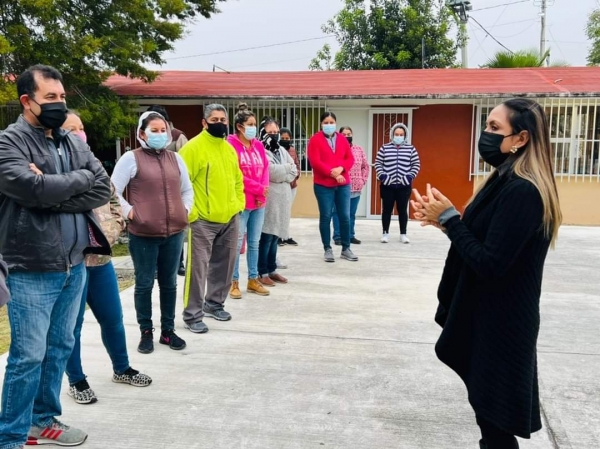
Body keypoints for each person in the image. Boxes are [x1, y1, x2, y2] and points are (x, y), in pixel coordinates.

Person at [411, 98, 562, 449]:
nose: (486, 134)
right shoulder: (504, 180)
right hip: (488, 316)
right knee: (489, 418)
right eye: (487, 125)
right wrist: (445, 221)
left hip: (502, 323)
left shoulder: (523, 191)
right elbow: (483, 240)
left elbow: (491, 263)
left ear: (521, 139)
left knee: (495, 422)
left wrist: (451, 219)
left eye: (495, 128)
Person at [0, 64, 112, 448]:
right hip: (30, 267)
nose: (59, 104)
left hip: (75, 264)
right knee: (28, 355)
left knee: (60, 346)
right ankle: (10, 437)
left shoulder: (72, 141)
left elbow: (103, 186)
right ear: (27, 101)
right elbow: (28, 187)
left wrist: (52, 192)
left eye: (62, 97)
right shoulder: (8, 143)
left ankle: (42, 419)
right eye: (50, 98)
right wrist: (58, 186)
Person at [62, 112, 151, 405]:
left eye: (81, 128)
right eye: (71, 129)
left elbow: (113, 196)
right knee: (70, 327)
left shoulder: (94, 163)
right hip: (71, 264)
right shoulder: (55, 168)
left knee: (113, 318)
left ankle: (122, 368)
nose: (79, 133)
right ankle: (76, 379)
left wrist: (114, 227)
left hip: (100, 260)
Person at [112, 111, 193, 354]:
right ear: (141, 133)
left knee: (169, 283)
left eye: (163, 130)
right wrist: (130, 213)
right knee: (144, 283)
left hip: (174, 232)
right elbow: (112, 191)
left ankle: (168, 331)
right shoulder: (130, 158)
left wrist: (184, 209)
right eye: (154, 130)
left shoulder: (175, 159)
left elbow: (187, 189)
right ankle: (146, 331)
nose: (160, 134)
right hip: (143, 234)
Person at [178, 104, 245, 334]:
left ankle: (214, 303)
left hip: (229, 217)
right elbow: (181, 184)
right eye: (214, 119)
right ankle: (192, 314)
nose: (220, 123)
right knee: (197, 269)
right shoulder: (193, 148)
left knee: (225, 264)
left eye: (223, 119)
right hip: (202, 220)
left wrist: (238, 205)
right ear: (204, 123)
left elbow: (237, 179)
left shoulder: (228, 149)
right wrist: (193, 213)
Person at [227, 103, 270, 299]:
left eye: (254, 124)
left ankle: (253, 279)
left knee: (254, 242)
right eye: (250, 124)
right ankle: (233, 281)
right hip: (241, 203)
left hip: (259, 203)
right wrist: (259, 189)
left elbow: (265, 169)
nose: (253, 128)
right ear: (239, 126)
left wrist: (262, 193)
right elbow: (236, 175)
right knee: (236, 244)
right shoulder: (230, 145)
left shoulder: (258, 145)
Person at [307, 111, 358, 263]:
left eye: (331, 122)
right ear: (321, 124)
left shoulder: (342, 139)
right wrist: (333, 174)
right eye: (326, 122)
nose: (329, 125)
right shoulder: (315, 140)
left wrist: (341, 169)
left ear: (335, 123)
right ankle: (327, 249)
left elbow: (350, 158)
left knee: (345, 216)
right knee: (326, 217)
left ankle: (346, 248)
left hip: (343, 184)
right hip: (324, 185)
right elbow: (315, 162)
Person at [147, 105, 189, 276]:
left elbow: (185, 166)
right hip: (152, 193)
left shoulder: (178, 137)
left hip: (174, 192)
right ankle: (156, 265)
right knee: (154, 228)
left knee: (175, 228)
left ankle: (178, 263)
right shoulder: (147, 135)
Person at [256, 117, 298, 287]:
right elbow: (271, 172)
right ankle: (262, 272)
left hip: (283, 198)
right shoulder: (260, 150)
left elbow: (294, 169)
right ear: (262, 133)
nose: (273, 136)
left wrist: (285, 171)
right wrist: (285, 171)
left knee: (276, 237)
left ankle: (272, 270)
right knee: (266, 237)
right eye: (269, 132)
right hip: (271, 199)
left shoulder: (281, 149)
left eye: (275, 132)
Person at [374, 122, 420, 244]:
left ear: (405, 136)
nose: (398, 136)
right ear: (392, 135)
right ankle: (385, 233)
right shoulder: (384, 148)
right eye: (396, 134)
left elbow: (416, 165)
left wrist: (409, 177)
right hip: (387, 186)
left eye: (401, 134)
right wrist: (383, 176)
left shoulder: (411, 149)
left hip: (404, 186)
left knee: (403, 210)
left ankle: (403, 234)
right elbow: (378, 163)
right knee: (386, 210)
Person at [332, 126, 369, 245]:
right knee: (338, 212)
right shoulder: (334, 149)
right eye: (344, 134)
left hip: (356, 188)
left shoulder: (359, 149)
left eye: (349, 134)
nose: (347, 136)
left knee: (351, 214)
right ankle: (338, 236)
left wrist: (363, 180)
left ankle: (350, 235)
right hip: (340, 187)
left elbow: (365, 166)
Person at [277, 128, 300, 247]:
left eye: (287, 138)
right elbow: (278, 170)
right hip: (281, 186)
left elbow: (296, 165)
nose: (285, 140)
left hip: (292, 186)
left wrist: (295, 177)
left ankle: (286, 236)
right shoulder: (276, 151)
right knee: (279, 212)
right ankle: (278, 237)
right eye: (283, 138)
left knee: (287, 212)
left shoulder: (292, 150)